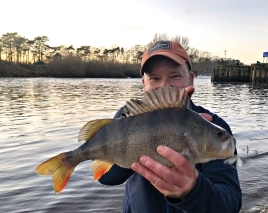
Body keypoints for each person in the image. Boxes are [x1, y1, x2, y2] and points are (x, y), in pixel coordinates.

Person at [99, 40, 242, 213]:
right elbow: (106, 178)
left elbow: (231, 203)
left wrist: (193, 191)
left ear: (190, 80)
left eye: (175, 76)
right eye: (154, 78)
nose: (164, 85)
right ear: (144, 85)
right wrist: (137, 144)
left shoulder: (214, 127)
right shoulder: (128, 117)